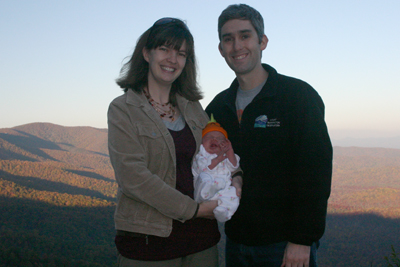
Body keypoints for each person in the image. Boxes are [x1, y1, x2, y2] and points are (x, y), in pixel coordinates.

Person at [206, 4, 333, 267]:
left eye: (245, 36)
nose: (236, 46)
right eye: (228, 39)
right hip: (236, 242)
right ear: (221, 49)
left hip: (284, 246)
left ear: (262, 41)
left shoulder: (297, 97)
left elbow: (316, 172)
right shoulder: (218, 108)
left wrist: (302, 239)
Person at [108, 17, 220, 267]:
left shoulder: (192, 107)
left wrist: (236, 177)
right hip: (149, 246)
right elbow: (132, 177)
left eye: (181, 53)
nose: (173, 59)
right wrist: (192, 210)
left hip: (202, 243)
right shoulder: (123, 109)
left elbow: (217, 153)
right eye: (164, 49)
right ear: (147, 53)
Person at [192, 114, 240, 223]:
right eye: (209, 137)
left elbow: (233, 166)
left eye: (219, 138)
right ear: (202, 143)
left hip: (222, 190)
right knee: (205, 178)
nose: (214, 139)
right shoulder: (201, 156)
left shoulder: (226, 155)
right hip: (204, 191)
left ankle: (224, 212)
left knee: (233, 193)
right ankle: (214, 202)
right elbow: (204, 170)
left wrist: (229, 151)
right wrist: (218, 159)